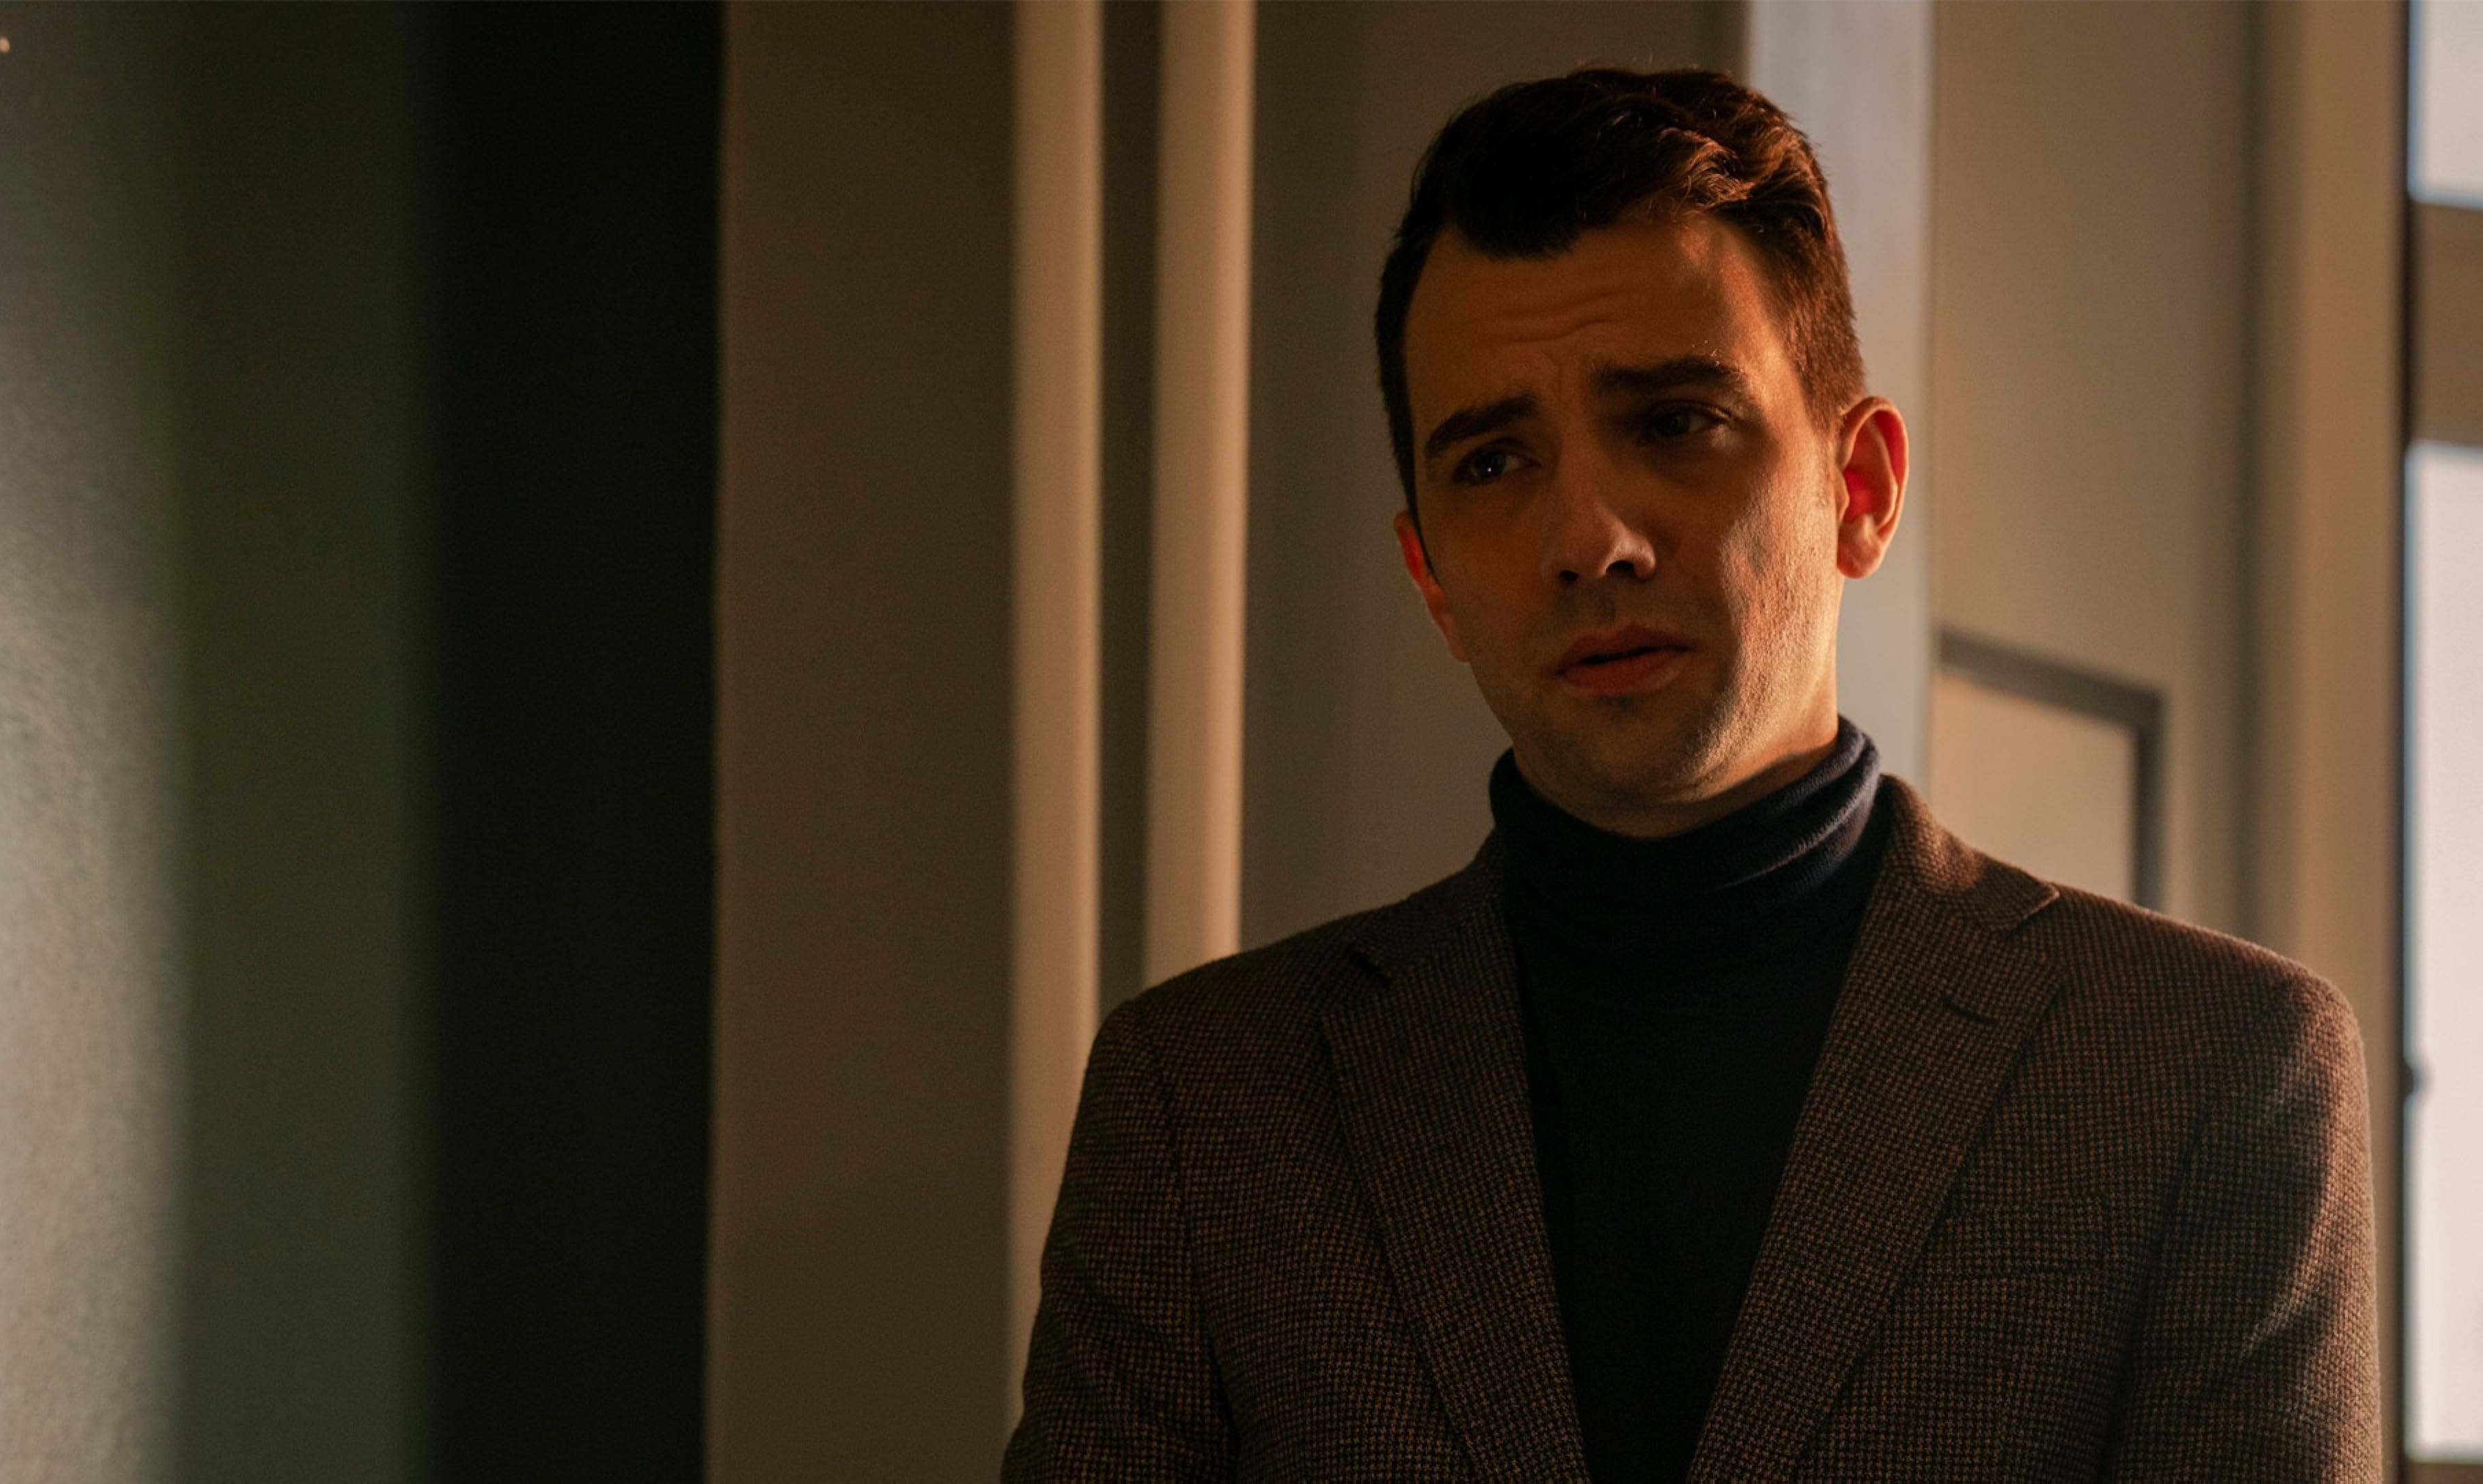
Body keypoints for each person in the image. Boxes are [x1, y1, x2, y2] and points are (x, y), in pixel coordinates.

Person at [1004, 66, 2377, 1482]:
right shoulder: (1206, 1103)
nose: (1588, 537)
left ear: (1859, 490)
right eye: (1493, 462)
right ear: (1431, 580)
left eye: (1673, 422)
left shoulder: (2208, 1071)